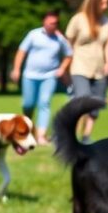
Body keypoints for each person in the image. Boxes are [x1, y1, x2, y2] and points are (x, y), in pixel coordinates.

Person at [11, 11, 73, 145]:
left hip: (49, 76)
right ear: (44, 22)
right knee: (28, 104)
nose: (53, 25)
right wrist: (16, 69)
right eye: (50, 23)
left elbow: (69, 54)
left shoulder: (59, 39)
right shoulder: (34, 35)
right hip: (30, 75)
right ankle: (27, 125)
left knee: (44, 103)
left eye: (55, 23)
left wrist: (62, 69)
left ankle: (41, 136)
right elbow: (21, 52)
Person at [66, 0, 108, 144]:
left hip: (99, 70)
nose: (106, 6)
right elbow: (68, 44)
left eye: (107, 2)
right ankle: (69, 132)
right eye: (103, 3)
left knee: (96, 105)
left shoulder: (107, 22)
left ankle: (86, 136)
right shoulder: (78, 19)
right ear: (93, 2)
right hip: (79, 67)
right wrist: (66, 66)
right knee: (82, 99)